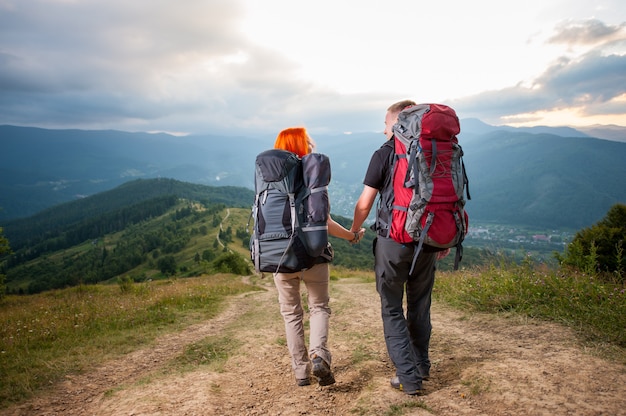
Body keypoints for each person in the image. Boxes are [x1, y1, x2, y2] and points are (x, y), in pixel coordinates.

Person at [350, 100, 450, 395]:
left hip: (393, 241)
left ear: (397, 122)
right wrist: (440, 237)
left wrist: (355, 230)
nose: (383, 129)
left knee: (392, 307)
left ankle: (408, 377)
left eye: (385, 123)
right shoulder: (434, 150)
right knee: (420, 306)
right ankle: (421, 365)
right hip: (428, 240)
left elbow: (365, 203)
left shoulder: (385, 153)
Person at [272, 127, 365, 387]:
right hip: (314, 256)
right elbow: (324, 221)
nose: (313, 144)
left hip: (280, 257)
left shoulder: (269, 180)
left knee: (291, 314)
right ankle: (318, 355)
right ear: (303, 146)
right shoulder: (312, 178)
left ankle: (301, 373)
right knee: (319, 307)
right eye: (309, 141)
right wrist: (351, 235)